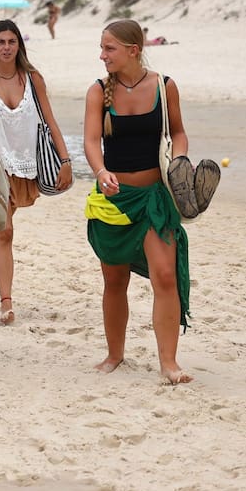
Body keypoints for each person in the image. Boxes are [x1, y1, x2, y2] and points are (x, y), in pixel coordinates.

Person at [84, 19, 193, 384]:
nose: (102, 56)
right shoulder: (99, 91)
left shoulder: (164, 86)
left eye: (109, 48)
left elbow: (178, 132)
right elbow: (90, 142)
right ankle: (115, 355)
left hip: (154, 200)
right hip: (113, 201)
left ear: (133, 50)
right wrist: (100, 172)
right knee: (115, 281)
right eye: (102, 48)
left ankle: (169, 363)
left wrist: (180, 161)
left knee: (165, 277)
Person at [0, 20, 73, 324]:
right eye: (0, 42)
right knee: (5, 232)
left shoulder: (32, 79)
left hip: (24, 164)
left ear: (19, 45)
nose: (6, 47)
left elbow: (49, 120)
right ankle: (6, 302)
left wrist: (65, 160)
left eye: (11, 42)